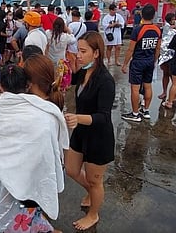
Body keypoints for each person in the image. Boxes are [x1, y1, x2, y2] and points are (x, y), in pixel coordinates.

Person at [0, 56, 69, 232]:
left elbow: (3, 138)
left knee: (27, 211)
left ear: (29, 84)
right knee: (33, 208)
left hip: (28, 176)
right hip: (38, 173)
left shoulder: (37, 110)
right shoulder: (44, 107)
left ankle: (40, 226)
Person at [63, 31, 115, 231]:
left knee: (95, 180)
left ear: (96, 53)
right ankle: (92, 193)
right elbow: (68, 81)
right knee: (72, 169)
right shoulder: (84, 71)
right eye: (78, 50)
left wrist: (77, 118)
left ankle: (93, 215)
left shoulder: (105, 80)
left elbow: (103, 117)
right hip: (81, 132)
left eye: (83, 51)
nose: (79, 54)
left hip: (98, 137)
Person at [121, 4, 161, 122]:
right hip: (149, 61)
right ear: (153, 16)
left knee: (135, 88)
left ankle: (135, 113)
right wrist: (154, 60)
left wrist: (125, 64)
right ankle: (146, 110)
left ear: (142, 15)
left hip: (138, 62)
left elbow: (131, 49)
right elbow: (158, 48)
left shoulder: (138, 29)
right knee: (148, 85)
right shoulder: (157, 30)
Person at [157, 13, 176, 100]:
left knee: (172, 75)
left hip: (170, 55)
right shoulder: (167, 28)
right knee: (166, 74)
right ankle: (165, 92)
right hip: (165, 55)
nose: (174, 21)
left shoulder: (172, 28)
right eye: (173, 19)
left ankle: (173, 94)